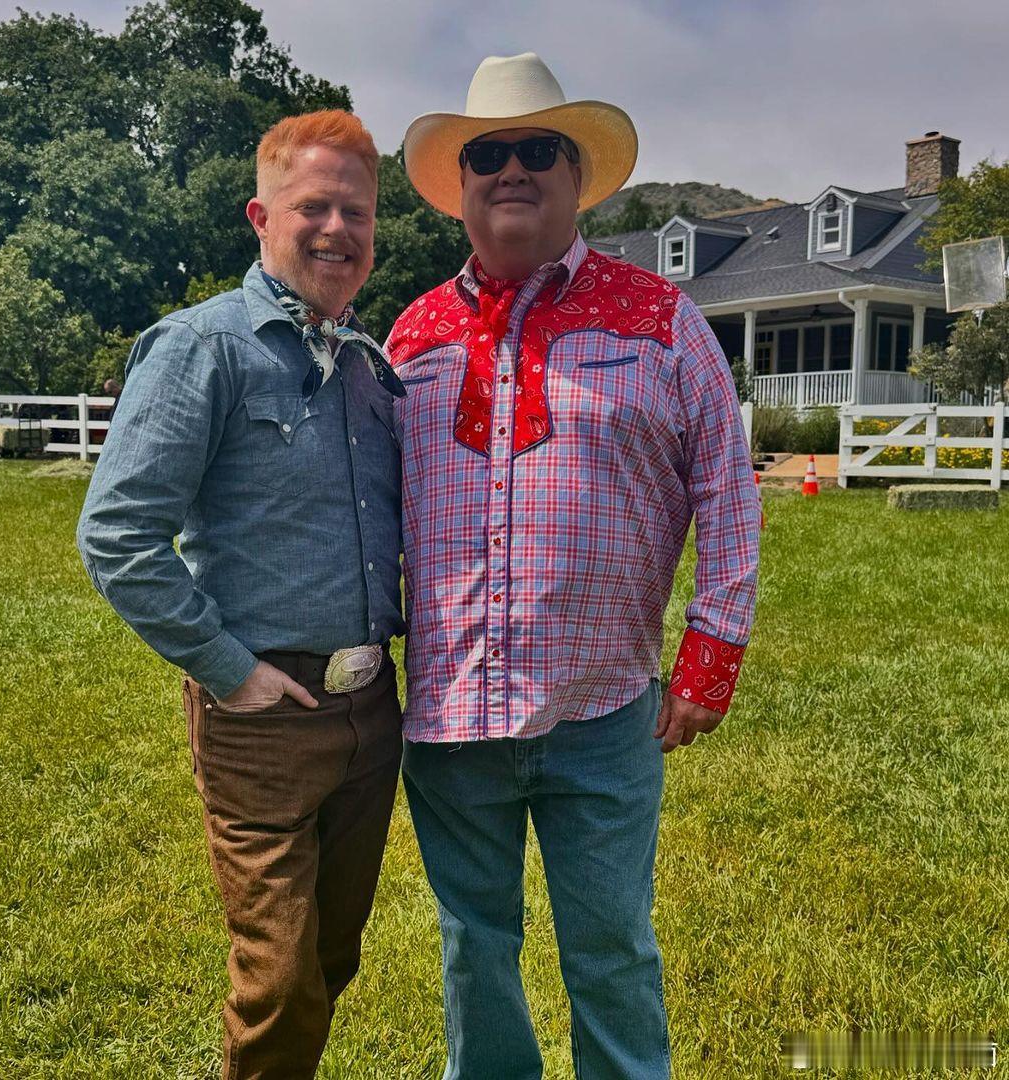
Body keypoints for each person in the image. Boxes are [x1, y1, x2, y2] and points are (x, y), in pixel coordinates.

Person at [386, 53, 761, 1079]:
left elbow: (729, 491)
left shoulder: (661, 320)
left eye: (538, 148)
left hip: (602, 711)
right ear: (461, 183)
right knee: (473, 954)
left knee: (611, 951)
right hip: (451, 716)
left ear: (577, 174)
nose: (513, 168)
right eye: (488, 154)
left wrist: (711, 656)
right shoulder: (411, 336)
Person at [76, 109, 405, 1080]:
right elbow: (117, 533)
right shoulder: (204, 348)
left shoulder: (367, 365)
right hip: (263, 716)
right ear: (262, 216)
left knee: (331, 957)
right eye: (314, 207)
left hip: (370, 711)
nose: (338, 229)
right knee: (280, 977)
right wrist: (229, 671)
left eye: (357, 212)